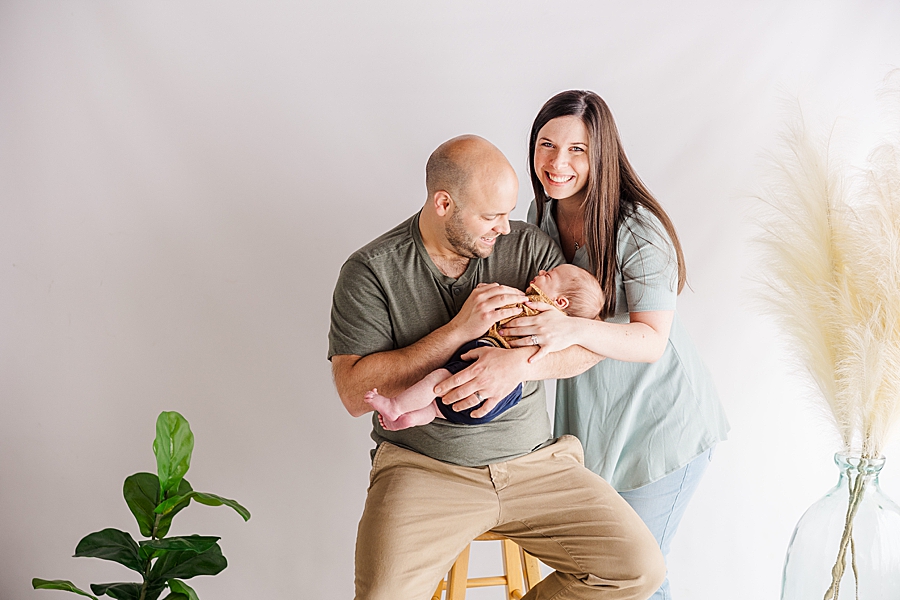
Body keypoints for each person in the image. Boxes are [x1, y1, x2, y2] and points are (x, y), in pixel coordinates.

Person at [328, 134, 665, 600]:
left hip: (536, 464)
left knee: (637, 570)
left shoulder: (529, 248)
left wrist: (516, 367)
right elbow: (351, 393)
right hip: (426, 469)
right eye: (491, 217)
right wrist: (456, 331)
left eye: (508, 213)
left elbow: (586, 344)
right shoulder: (372, 271)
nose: (506, 228)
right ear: (443, 203)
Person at [499, 90, 730, 600]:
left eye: (577, 149)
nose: (557, 163)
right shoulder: (541, 220)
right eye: (547, 145)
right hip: (597, 421)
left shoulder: (638, 230)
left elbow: (650, 340)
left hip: (660, 424)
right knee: (619, 571)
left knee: (639, 574)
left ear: (602, 153)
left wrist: (573, 328)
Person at [365, 263, 604, 431]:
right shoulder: (562, 335)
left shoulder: (536, 308)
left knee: (438, 380)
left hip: (488, 362)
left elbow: (495, 309)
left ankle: (396, 406)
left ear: (559, 302)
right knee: (439, 407)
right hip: (504, 397)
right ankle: (412, 418)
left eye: (549, 275)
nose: (541, 271)